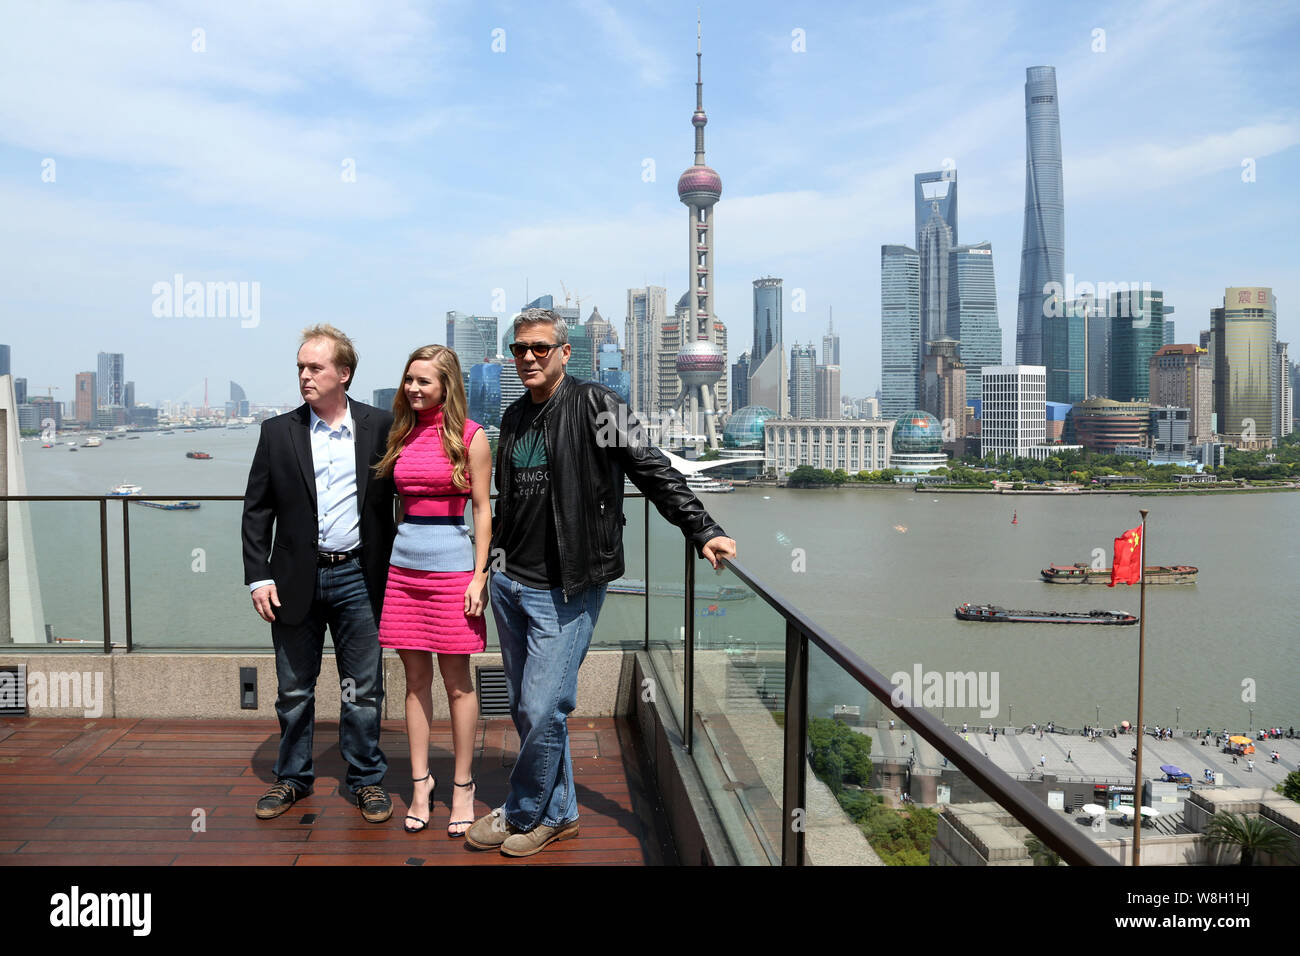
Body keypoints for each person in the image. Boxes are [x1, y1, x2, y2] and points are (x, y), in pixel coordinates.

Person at [464, 308, 736, 858]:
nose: (530, 358)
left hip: (568, 584)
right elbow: (509, 503)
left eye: (541, 347)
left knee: (544, 706)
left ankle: (522, 811)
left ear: (565, 353)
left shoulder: (595, 404)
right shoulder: (514, 417)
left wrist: (701, 528)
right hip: (513, 582)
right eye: (520, 349)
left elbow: (651, 466)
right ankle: (560, 814)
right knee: (528, 707)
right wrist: (491, 567)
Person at [242, 325, 396, 823]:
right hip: (291, 582)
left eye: (315, 368)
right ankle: (292, 778)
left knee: (363, 689)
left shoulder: (382, 427)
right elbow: (256, 512)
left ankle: (367, 780)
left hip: (359, 577)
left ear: (344, 374)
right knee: (294, 689)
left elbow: (416, 486)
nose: (305, 376)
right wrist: (257, 577)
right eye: (301, 368)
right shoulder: (277, 432)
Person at [374, 346, 492, 837]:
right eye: (409, 380)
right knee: (414, 682)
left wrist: (479, 576)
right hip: (403, 570)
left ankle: (462, 786)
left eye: (424, 381)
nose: (414, 389)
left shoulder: (472, 437)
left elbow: (483, 510)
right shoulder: (400, 434)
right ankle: (421, 785)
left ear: (447, 385)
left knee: (458, 682)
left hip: (451, 571)